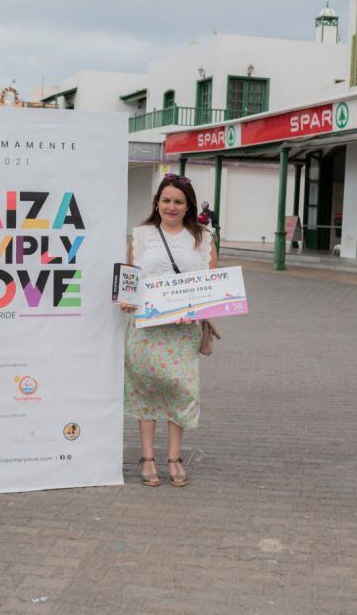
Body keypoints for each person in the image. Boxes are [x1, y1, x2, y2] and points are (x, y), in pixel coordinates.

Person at [120, 173, 217, 487]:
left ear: (188, 205)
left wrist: (195, 310)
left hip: (182, 330)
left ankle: (174, 457)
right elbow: (130, 276)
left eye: (178, 201)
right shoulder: (144, 235)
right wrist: (125, 299)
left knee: (181, 390)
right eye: (166, 200)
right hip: (147, 327)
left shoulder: (203, 238)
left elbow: (210, 285)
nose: (171, 207)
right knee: (145, 388)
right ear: (157, 203)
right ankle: (148, 456)